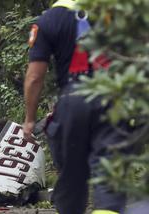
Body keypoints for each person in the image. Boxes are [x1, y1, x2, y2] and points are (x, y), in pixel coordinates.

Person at [22, 0, 129, 213]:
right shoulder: (115, 13)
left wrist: (30, 119)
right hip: (113, 99)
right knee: (109, 180)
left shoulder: (49, 20)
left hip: (73, 101)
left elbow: (34, 77)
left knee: (72, 180)